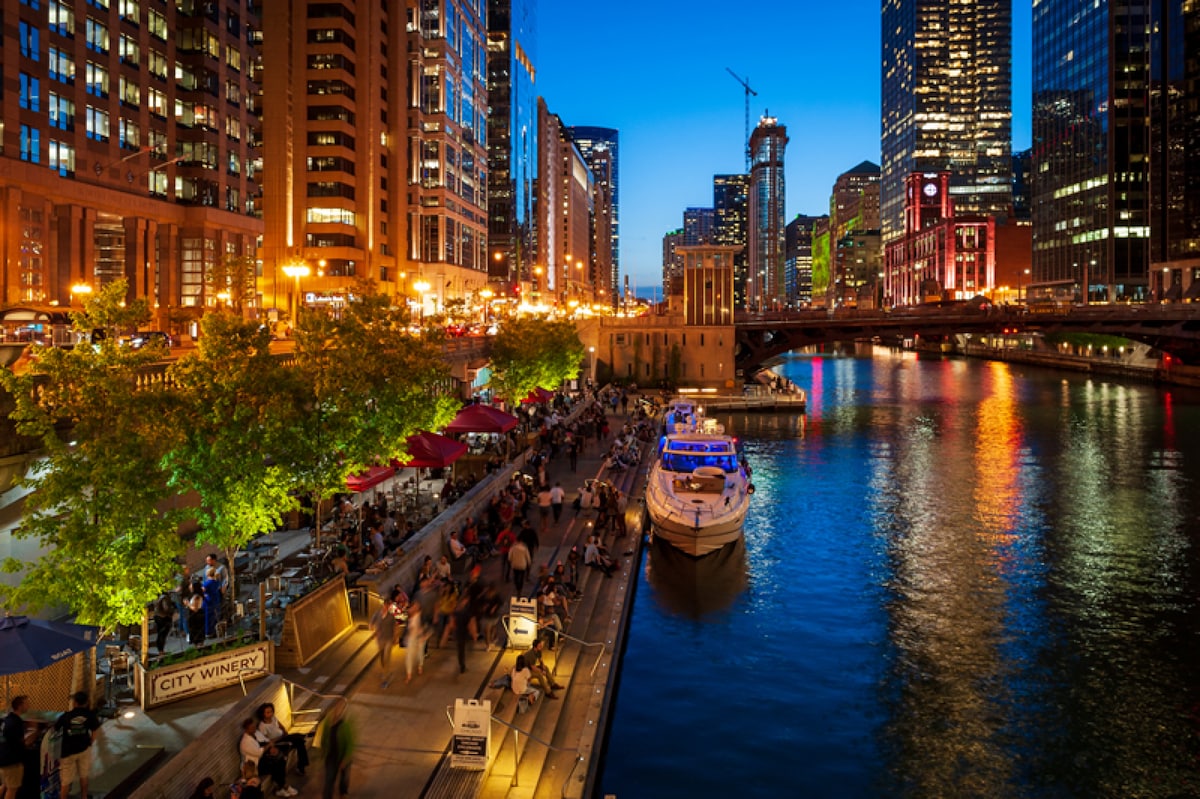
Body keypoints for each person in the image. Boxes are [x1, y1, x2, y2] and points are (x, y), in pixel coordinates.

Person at [54, 692, 101, 799]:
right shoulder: (90, 715)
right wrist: (90, 743)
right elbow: (94, 732)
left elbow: (55, 728)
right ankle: (84, 796)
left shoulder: (66, 716)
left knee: (65, 781)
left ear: (75, 703)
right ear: (86, 702)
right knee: (84, 775)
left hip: (68, 752)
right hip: (83, 749)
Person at [238, 717, 296, 797]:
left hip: (262, 759)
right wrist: (269, 745)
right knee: (274, 766)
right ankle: (283, 786)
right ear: (246, 729)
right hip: (253, 766)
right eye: (252, 728)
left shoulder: (256, 733)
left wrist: (271, 747)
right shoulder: (245, 742)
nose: (254, 729)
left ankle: (280, 788)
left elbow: (267, 741)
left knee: (281, 760)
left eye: (254, 727)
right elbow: (259, 753)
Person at [255, 702, 309, 777]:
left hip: (284, 737)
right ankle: (304, 736)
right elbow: (267, 741)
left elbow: (281, 726)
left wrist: (285, 733)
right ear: (263, 714)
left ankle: (301, 767)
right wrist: (280, 738)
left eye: (271, 711)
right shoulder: (262, 726)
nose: (270, 714)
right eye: (268, 712)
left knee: (300, 742)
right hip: (277, 742)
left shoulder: (273, 718)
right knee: (299, 740)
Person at [320, 703, 355, 799]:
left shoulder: (345, 725)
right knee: (329, 780)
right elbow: (323, 738)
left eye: (339, 711)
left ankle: (343, 792)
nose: (336, 713)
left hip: (343, 756)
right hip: (331, 757)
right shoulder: (327, 723)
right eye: (335, 710)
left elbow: (350, 744)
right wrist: (323, 751)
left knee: (344, 777)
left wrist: (345, 759)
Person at [0, 696, 30, 799]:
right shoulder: (16, 722)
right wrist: (36, 732)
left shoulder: (7, 719)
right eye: (26, 703)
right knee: (12, 789)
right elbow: (21, 742)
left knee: (4, 785)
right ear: (20, 706)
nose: (28, 706)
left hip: (3, 758)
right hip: (12, 761)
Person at [369, 595, 397, 688]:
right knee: (382, 657)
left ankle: (385, 678)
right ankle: (384, 670)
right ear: (384, 605)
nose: (387, 607)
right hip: (380, 640)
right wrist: (374, 631)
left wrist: (395, 638)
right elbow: (371, 624)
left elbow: (394, 627)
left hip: (389, 639)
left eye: (389, 606)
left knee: (386, 658)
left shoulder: (391, 616)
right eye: (387, 605)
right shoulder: (377, 614)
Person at [404, 599, 428, 683]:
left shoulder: (421, 616)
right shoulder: (410, 616)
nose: (415, 607)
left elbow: (426, 626)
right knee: (409, 656)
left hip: (420, 637)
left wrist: (423, 635)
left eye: (417, 606)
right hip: (411, 637)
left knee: (420, 653)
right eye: (414, 606)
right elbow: (407, 628)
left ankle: (420, 666)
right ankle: (409, 674)